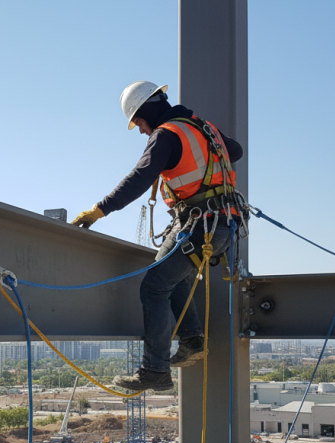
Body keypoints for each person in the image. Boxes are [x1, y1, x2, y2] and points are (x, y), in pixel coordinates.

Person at [72, 81, 243, 391]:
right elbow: (236, 151)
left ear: (147, 111)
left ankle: (155, 370)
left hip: (200, 224)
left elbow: (140, 177)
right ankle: (192, 340)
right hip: (220, 223)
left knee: (153, 288)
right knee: (169, 277)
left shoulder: (166, 135)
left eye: (139, 122)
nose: (140, 130)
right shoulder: (202, 128)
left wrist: (99, 210)